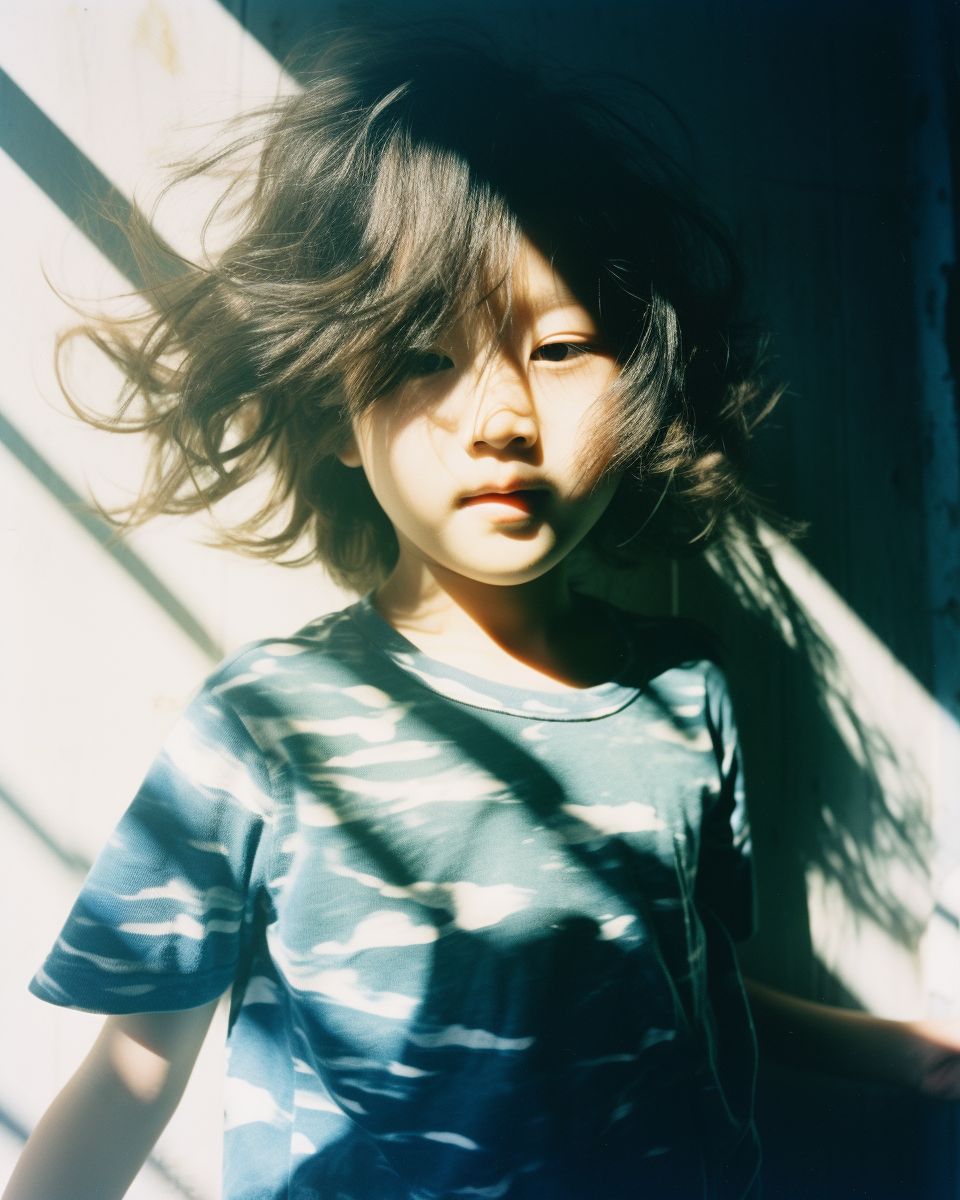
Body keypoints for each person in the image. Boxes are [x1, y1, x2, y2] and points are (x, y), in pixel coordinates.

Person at [5, 28, 959, 1200]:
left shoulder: (685, 693)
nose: (503, 411)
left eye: (561, 347)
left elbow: (672, 975)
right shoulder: (267, 726)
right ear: (328, 415)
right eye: (423, 355)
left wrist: (904, 1053)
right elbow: (132, 1073)